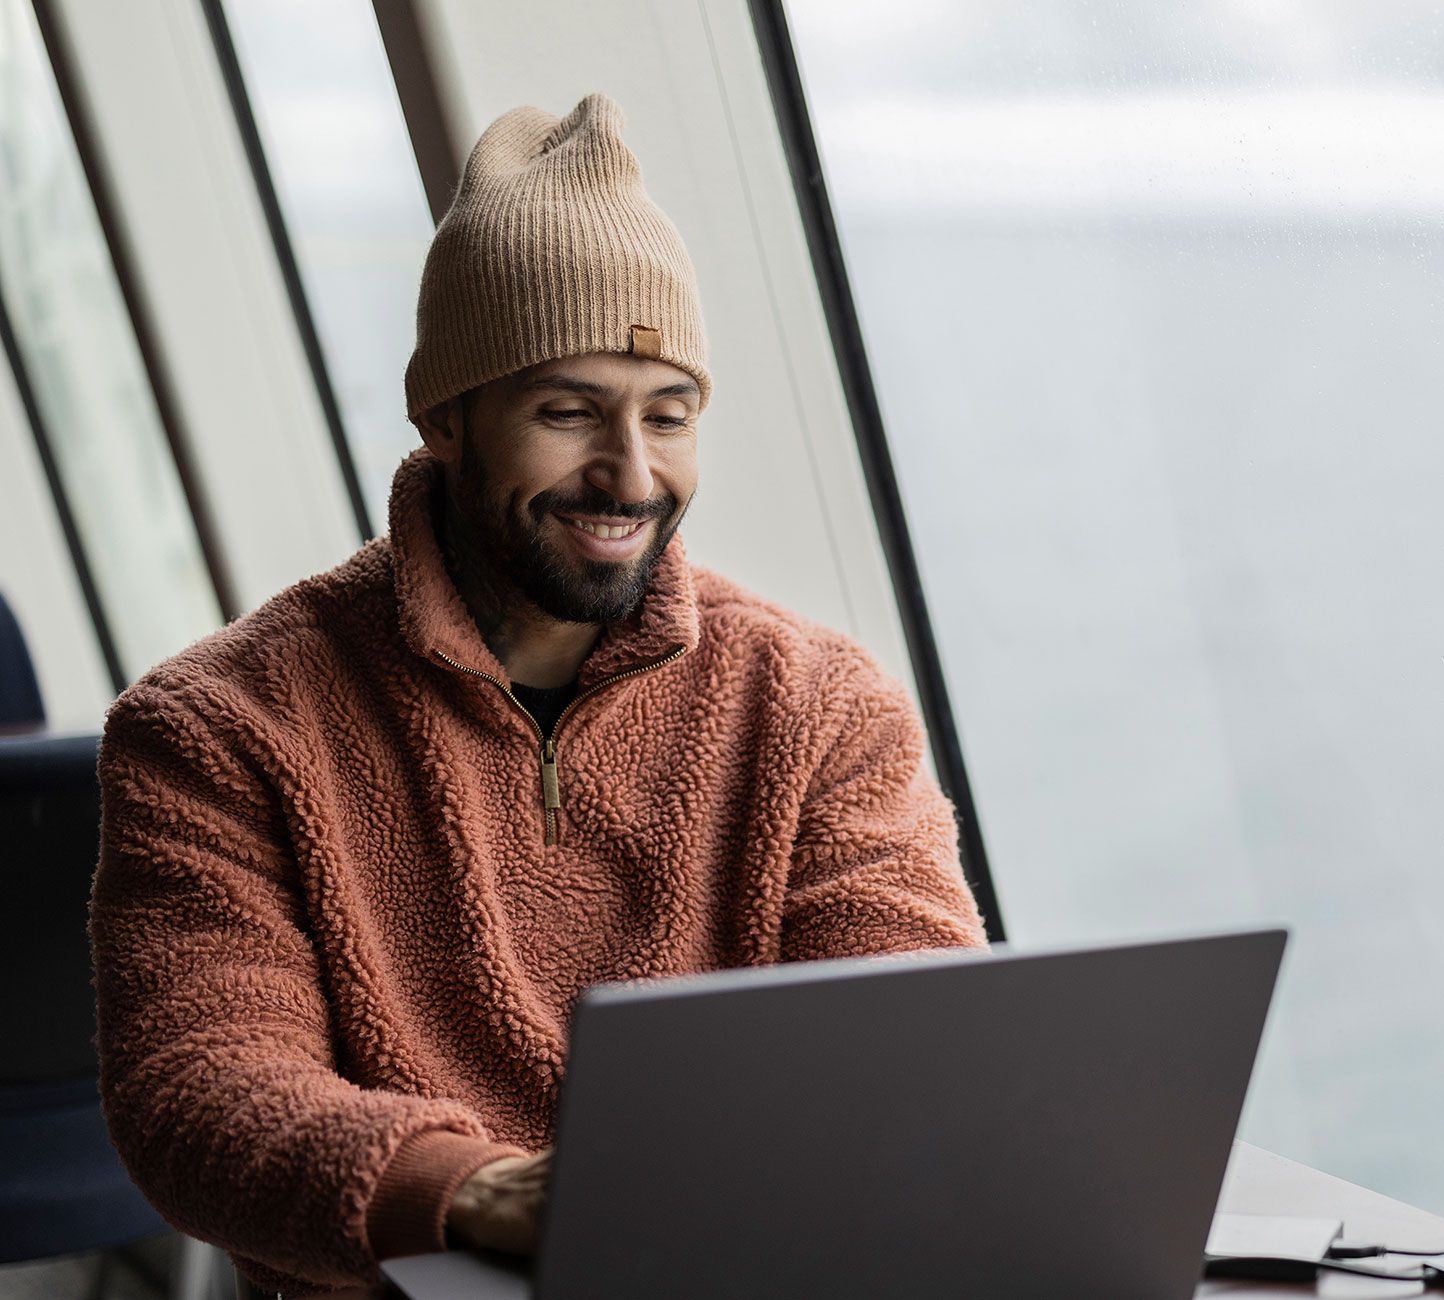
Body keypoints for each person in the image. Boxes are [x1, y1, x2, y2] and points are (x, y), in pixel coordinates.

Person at [88, 92, 987, 1297]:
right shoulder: (217, 727)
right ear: (445, 419)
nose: (629, 473)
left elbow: (914, 1036)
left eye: (668, 417)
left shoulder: (818, 704)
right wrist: (461, 1190)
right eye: (569, 412)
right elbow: (199, 1085)